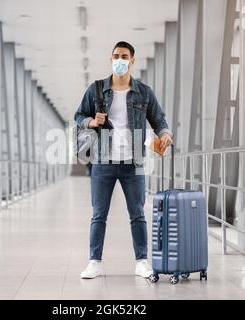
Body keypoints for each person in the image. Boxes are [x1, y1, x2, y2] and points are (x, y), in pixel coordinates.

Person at [74, 41, 173, 279]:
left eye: (124, 56)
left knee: (137, 213)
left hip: (134, 163)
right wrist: (91, 122)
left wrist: (166, 133)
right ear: (111, 59)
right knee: (99, 214)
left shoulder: (144, 92)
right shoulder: (96, 90)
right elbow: (79, 115)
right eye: (116, 56)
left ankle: (141, 261)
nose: (120, 60)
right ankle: (94, 262)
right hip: (102, 162)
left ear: (132, 60)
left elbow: (158, 119)